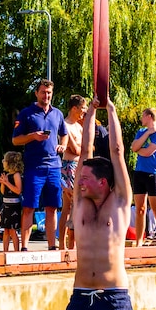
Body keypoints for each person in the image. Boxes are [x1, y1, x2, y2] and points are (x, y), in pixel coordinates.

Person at [64, 97, 134, 310]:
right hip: (81, 298)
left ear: (103, 182)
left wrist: (112, 113)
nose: (80, 182)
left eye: (86, 179)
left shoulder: (119, 204)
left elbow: (117, 152)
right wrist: (90, 114)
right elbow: (85, 152)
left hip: (113, 299)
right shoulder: (79, 204)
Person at [11, 80, 68, 250]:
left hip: (54, 167)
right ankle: (24, 247)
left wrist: (62, 145)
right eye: (43, 92)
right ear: (36, 93)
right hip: (34, 167)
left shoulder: (57, 113)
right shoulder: (26, 114)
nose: (46, 96)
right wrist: (32, 136)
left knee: (52, 207)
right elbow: (15, 140)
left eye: (49, 92)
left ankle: (52, 246)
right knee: (29, 207)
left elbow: (64, 134)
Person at [130, 107, 156, 247]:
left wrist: (139, 148)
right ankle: (139, 241)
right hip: (139, 172)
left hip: (153, 173)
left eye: (142, 115)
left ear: (149, 116)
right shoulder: (141, 132)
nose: (141, 118)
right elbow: (134, 148)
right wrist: (147, 133)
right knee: (140, 208)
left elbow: (147, 152)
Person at [58, 95, 88, 251]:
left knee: (77, 206)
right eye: (83, 108)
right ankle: (64, 244)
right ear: (74, 108)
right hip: (69, 166)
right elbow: (77, 149)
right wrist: (84, 148)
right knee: (69, 206)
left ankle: (73, 243)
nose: (85, 111)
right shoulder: (65, 126)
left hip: (80, 166)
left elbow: (88, 148)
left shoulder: (79, 126)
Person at [0, 151, 24, 252]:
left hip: (13, 206)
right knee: (6, 230)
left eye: (4, 160)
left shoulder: (16, 175)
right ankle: (5, 251)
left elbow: (18, 190)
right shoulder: (7, 175)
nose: (3, 162)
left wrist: (7, 183)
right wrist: (3, 183)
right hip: (6, 205)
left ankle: (16, 251)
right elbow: (3, 192)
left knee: (12, 230)